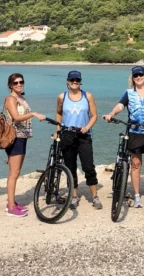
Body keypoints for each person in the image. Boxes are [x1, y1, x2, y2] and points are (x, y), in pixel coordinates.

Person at [104, 66, 144, 208]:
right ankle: (137, 195)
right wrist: (111, 114)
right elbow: (120, 106)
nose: (139, 77)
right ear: (132, 78)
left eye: (141, 74)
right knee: (135, 165)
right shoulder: (129, 93)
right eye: (136, 75)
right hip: (135, 132)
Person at [55, 70, 102, 210]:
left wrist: (87, 127)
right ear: (67, 82)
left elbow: (94, 115)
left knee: (88, 166)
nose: (74, 82)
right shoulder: (61, 97)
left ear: (80, 81)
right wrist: (58, 132)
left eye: (77, 80)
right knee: (70, 167)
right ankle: (74, 196)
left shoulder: (88, 96)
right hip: (67, 135)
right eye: (72, 80)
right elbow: (58, 113)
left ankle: (94, 196)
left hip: (84, 135)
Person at [4, 73, 46, 217]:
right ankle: (10, 207)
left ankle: (12, 202)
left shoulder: (21, 98)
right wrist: (33, 113)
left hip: (22, 138)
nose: (19, 85)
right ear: (10, 85)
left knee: (16, 172)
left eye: (21, 82)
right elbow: (16, 117)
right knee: (14, 173)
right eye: (15, 83)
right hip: (15, 138)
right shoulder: (10, 99)